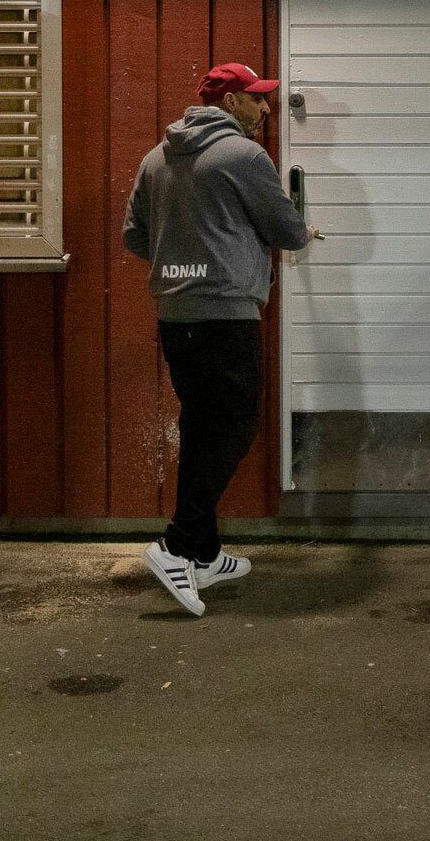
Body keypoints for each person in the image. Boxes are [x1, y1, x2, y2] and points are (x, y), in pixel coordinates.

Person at [123, 62, 319, 616]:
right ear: (230, 102)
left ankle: (204, 555)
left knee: (202, 425)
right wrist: (304, 230)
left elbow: (134, 234)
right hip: (227, 314)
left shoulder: (155, 159)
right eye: (257, 100)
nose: (265, 110)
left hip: (175, 315)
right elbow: (284, 230)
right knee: (234, 422)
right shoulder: (243, 156)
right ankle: (177, 545)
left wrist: (182, 260)